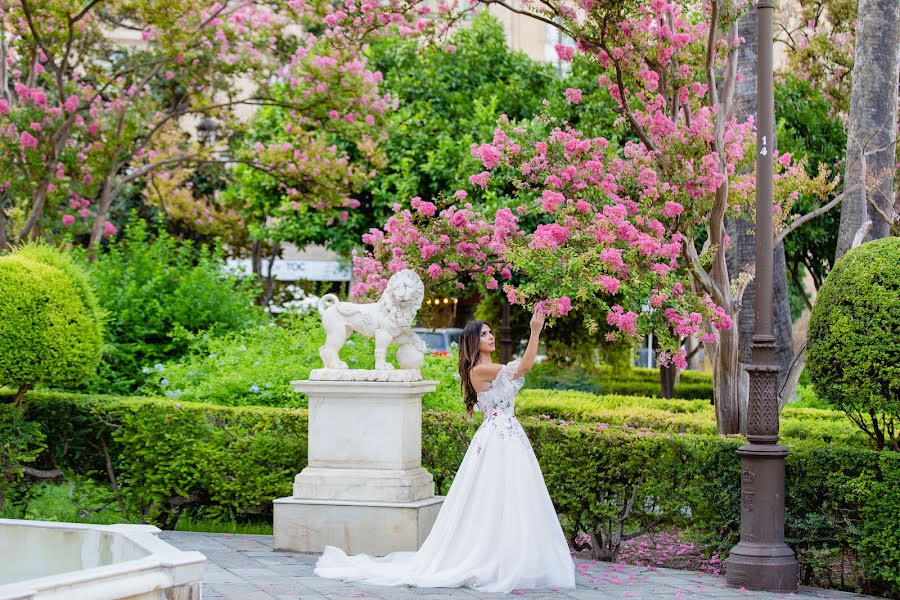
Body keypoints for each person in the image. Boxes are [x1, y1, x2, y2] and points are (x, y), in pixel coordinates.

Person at [314, 310, 576, 593]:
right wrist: (535, 330)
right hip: (498, 439)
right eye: (484, 334)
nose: (491, 337)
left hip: (510, 435)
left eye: (490, 332)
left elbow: (517, 372)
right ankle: (493, 557)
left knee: (514, 495)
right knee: (496, 495)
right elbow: (525, 367)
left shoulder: (491, 367)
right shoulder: (479, 370)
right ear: (474, 343)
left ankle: (510, 555)